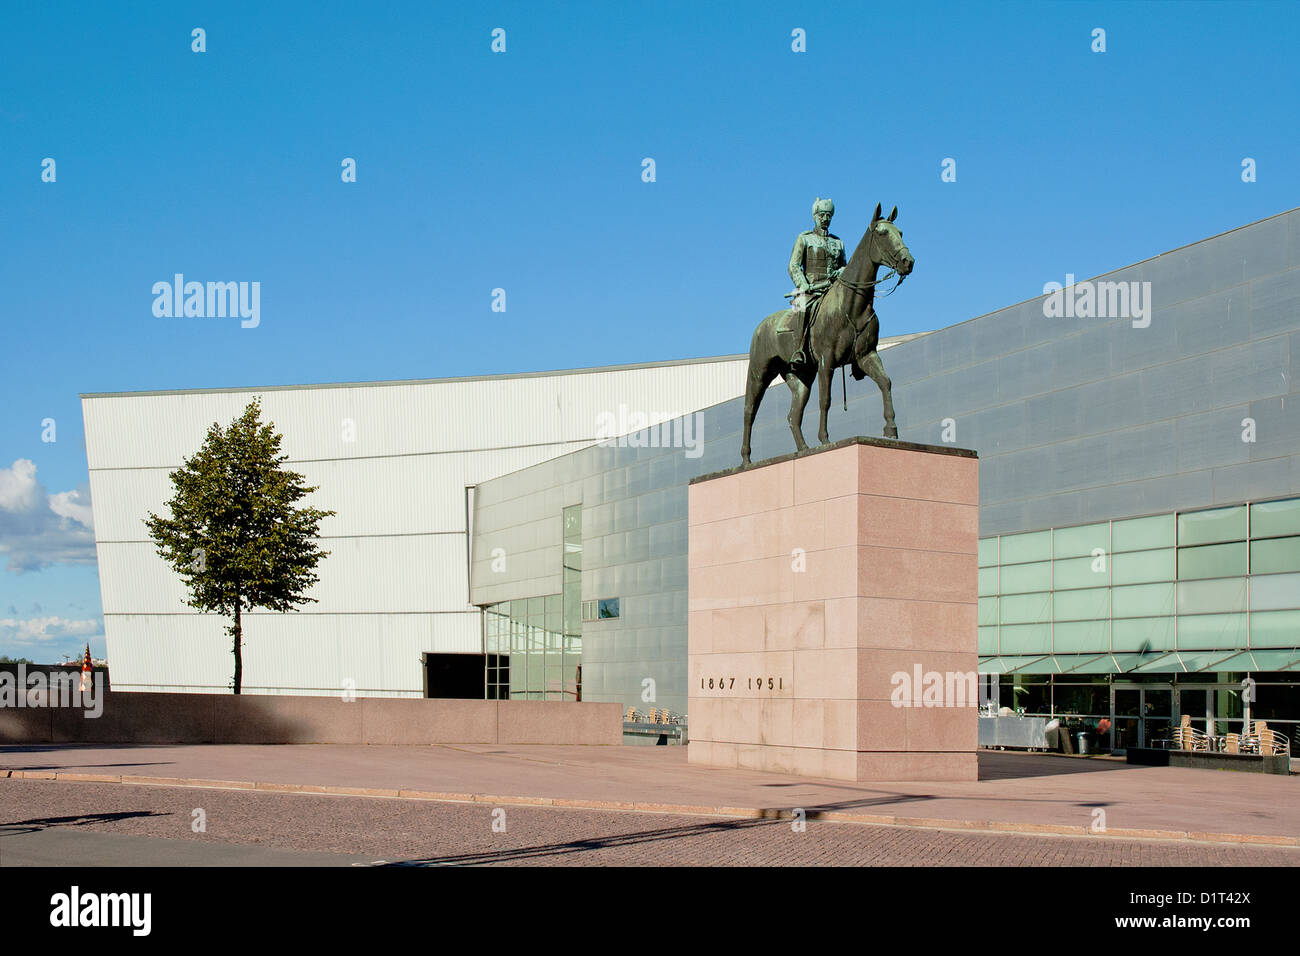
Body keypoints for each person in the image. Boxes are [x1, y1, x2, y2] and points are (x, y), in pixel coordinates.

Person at [787, 197, 846, 367]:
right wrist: (803, 283)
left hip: (833, 290)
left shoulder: (838, 242)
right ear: (815, 216)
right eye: (822, 215)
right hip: (811, 290)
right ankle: (798, 350)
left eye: (828, 215)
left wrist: (843, 271)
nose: (825, 219)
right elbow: (793, 266)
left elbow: (845, 266)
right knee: (802, 307)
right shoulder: (804, 238)